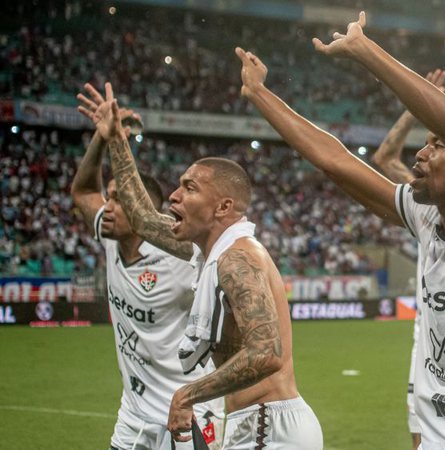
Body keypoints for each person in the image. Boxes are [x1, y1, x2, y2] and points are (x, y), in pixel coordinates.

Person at [238, 11, 445, 449]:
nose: (420, 155)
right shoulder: (427, 216)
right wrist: (260, 94)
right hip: (440, 438)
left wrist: (365, 51)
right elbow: (336, 161)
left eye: (436, 145)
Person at [82, 82, 323, 449]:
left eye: (189, 188)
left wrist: (187, 395)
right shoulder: (212, 251)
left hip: (269, 427)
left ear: (223, 207)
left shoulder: (238, 258)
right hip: (256, 423)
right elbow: (143, 218)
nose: (174, 196)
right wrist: (115, 138)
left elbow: (266, 353)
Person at [72, 83, 222, 450]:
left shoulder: (185, 252)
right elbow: (82, 191)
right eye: (109, 197)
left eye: (119, 200)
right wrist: (101, 137)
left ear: (145, 213)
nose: (108, 207)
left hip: (189, 408)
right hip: (134, 413)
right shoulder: (110, 238)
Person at [371, 69, 445, 450]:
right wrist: (417, 106)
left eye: (439, 146)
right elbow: (384, 157)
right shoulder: (426, 205)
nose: (425, 155)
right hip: (429, 345)